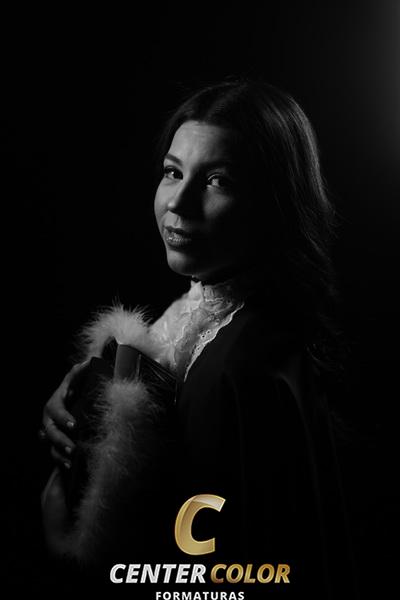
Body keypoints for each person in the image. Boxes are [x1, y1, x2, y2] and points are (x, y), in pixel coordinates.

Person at [40, 78, 358, 596]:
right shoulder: (201, 310)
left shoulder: (241, 368)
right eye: (173, 172)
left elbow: (221, 576)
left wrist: (71, 561)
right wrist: (86, 407)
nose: (179, 203)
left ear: (275, 203)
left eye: (218, 180)